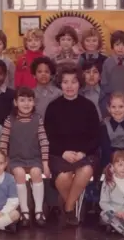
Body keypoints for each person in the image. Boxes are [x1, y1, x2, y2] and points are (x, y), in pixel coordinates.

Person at [44, 63, 100, 226]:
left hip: (85, 153)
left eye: (73, 82)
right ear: (60, 84)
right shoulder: (53, 107)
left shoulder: (88, 106)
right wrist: (63, 153)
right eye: (65, 82)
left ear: (79, 84)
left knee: (86, 170)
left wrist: (83, 152)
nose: (69, 86)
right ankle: (73, 207)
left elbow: (95, 136)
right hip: (59, 154)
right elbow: (48, 136)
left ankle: (68, 208)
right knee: (63, 177)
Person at [0, 87, 50, 227]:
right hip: (16, 159)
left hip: (34, 158)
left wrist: (45, 163)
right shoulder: (10, 120)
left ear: (34, 102)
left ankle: (39, 211)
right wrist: (3, 161)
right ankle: (25, 211)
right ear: (15, 102)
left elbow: (44, 141)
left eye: (29, 100)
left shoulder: (37, 119)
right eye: (22, 100)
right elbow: (3, 141)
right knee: (19, 174)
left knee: (36, 172)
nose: (26, 104)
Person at [100, 92, 124, 172]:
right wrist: (115, 164)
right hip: (109, 160)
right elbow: (105, 149)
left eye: (121, 107)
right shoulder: (104, 126)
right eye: (113, 107)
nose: (117, 110)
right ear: (108, 108)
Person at [100, 30, 124, 118]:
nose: (120, 48)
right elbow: (104, 82)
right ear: (112, 46)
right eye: (117, 45)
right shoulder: (107, 62)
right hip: (111, 99)